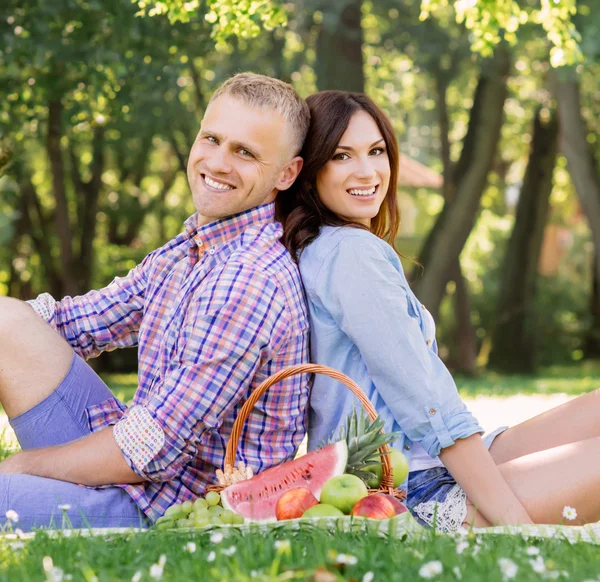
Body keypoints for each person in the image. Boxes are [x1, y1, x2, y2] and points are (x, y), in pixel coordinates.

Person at [277, 90, 600, 533]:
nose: (368, 171)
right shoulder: (351, 254)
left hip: (419, 462)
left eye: (376, 151)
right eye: (341, 156)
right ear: (310, 172)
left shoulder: (320, 247)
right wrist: (516, 527)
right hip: (410, 490)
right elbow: (428, 404)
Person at [0, 73, 311, 531]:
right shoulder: (191, 249)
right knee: (7, 320)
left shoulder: (249, 279)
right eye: (212, 139)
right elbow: (76, 322)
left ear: (287, 173)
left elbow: (152, 449)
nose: (219, 162)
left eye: (245, 152)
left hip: (171, 506)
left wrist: (24, 466)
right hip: (133, 459)